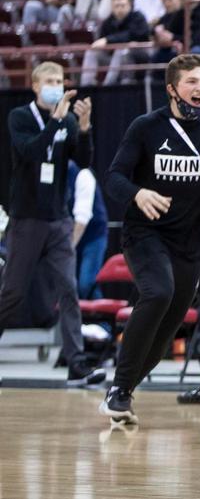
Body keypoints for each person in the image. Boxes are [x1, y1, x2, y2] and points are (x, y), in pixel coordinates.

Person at [99, 54, 200, 424]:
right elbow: (114, 177)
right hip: (145, 234)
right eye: (192, 82)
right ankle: (119, 389)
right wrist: (137, 193)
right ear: (172, 89)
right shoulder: (146, 127)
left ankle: (121, 392)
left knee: (169, 327)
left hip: (191, 243)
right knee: (158, 293)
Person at [0, 62, 103, 385]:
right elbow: (30, 151)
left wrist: (83, 128)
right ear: (35, 85)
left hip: (59, 219)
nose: (56, 85)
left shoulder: (68, 120)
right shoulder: (20, 117)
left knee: (68, 289)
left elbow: (83, 162)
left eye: (59, 80)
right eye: (49, 80)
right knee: (13, 292)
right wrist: (56, 121)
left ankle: (77, 363)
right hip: (27, 219)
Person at [80, 0, 150, 86]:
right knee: (91, 52)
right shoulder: (108, 22)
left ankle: (108, 86)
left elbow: (131, 34)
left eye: (123, 5)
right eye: (117, 6)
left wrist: (108, 40)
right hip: (112, 59)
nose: (120, 9)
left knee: (120, 50)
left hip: (137, 56)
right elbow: (101, 41)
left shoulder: (138, 17)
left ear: (130, 6)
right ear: (112, 8)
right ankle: (86, 85)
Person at [68, 160, 108, 301]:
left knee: (86, 283)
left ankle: (101, 315)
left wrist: (69, 247)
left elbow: (82, 219)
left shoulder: (83, 174)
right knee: (69, 284)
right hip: (71, 235)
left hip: (93, 236)